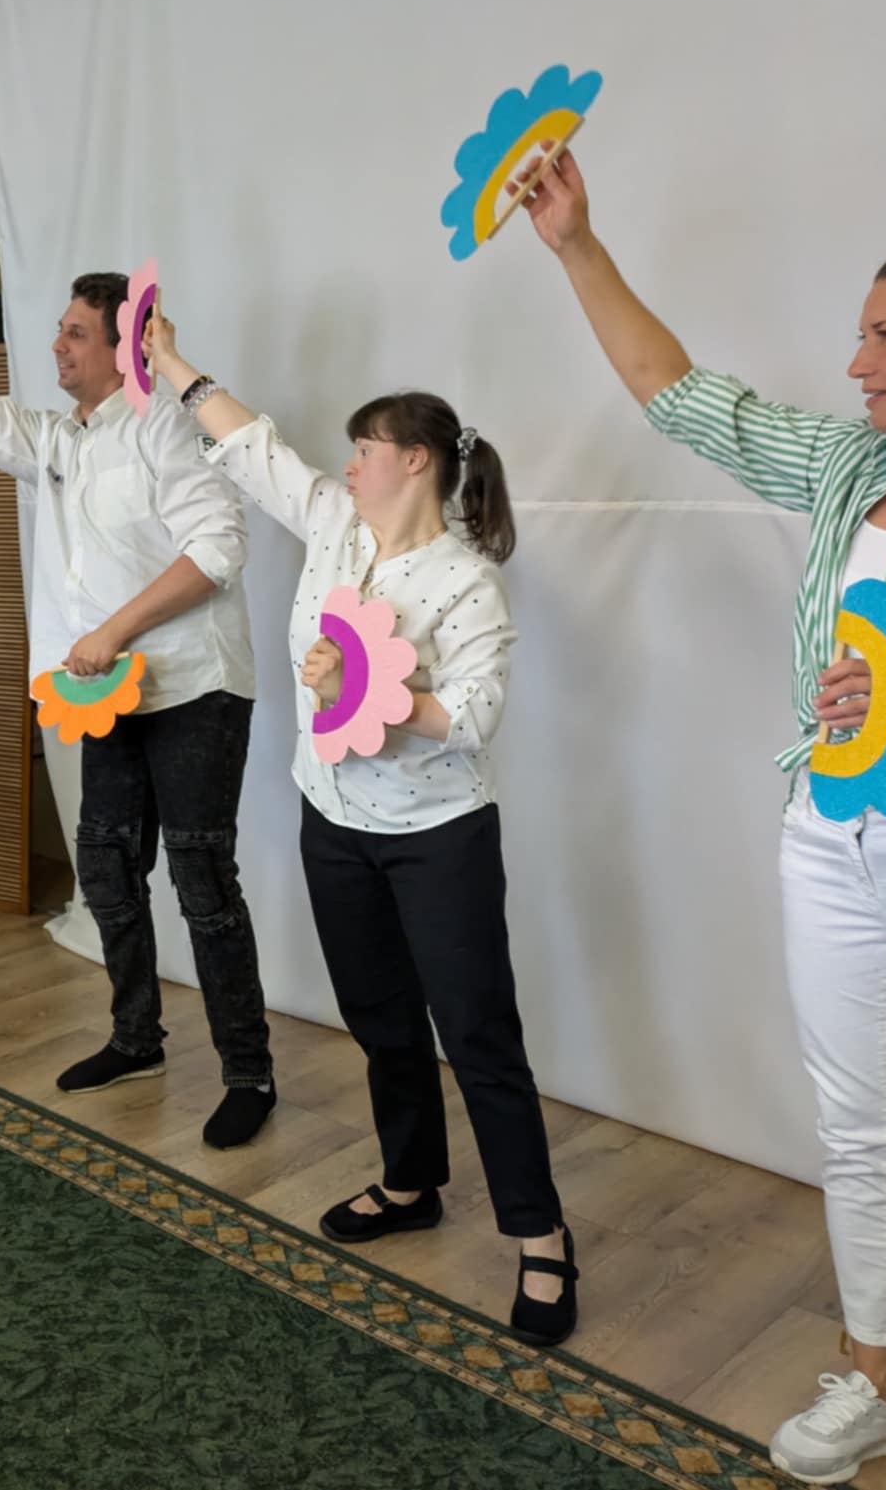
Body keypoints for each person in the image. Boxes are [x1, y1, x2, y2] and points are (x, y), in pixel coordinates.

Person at [515, 152, 886, 1481]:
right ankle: (881, 1384)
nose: (855, 361)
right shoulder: (848, 458)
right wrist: (577, 245)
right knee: (858, 1127)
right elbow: (671, 387)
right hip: (827, 834)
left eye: (885, 334)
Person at [146, 315, 580, 1342]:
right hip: (332, 816)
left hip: (438, 835)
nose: (346, 462)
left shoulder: (465, 579)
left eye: (363, 447)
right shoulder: (336, 524)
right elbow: (250, 444)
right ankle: (410, 1180)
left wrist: (374, 690)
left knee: (476, 1033)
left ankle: (540, 1232)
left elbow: (471, 715)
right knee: (379, 1015)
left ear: (415, 459)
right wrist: (167, 360)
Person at [0, 221, 277, 1147]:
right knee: (105, 866)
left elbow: (220, 548)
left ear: (122, 346)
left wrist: (112, 631)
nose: (55, 344)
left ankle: (248, 1072)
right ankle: (137, 1038)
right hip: (109, 694)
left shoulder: (166, 423)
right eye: (57, 330)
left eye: (75, 332)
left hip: (196, 688)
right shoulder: (58, 438)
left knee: (202, 878)